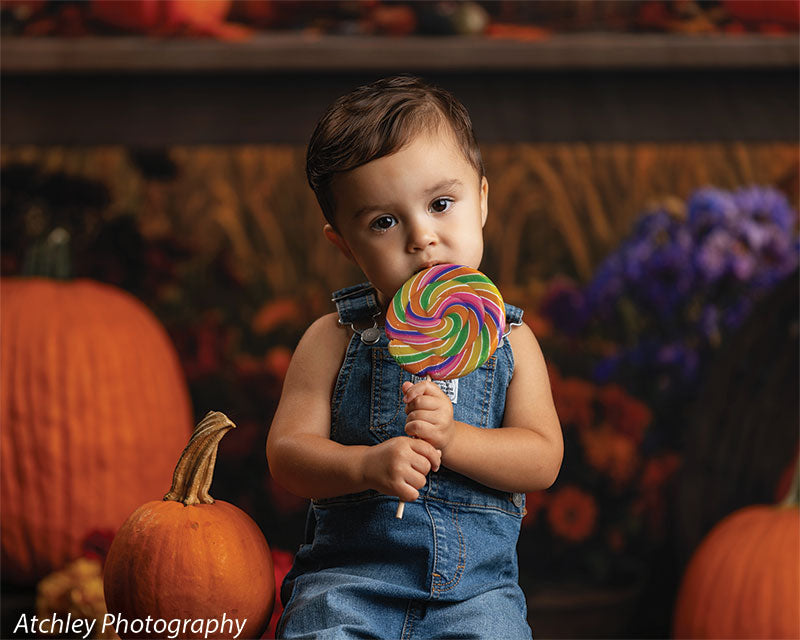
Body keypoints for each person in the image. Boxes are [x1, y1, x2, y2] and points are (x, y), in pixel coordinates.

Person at [267, 75, 563, 639]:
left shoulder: (510, 340)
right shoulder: (333, 338)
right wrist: (364, 466)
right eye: (384, 221)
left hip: (477, 594)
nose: (421, 237)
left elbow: (542, 458)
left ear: (481, 200)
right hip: (349, 584)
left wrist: (454, 439)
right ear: (345, 245)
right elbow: (287, 455)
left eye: (440, 203)